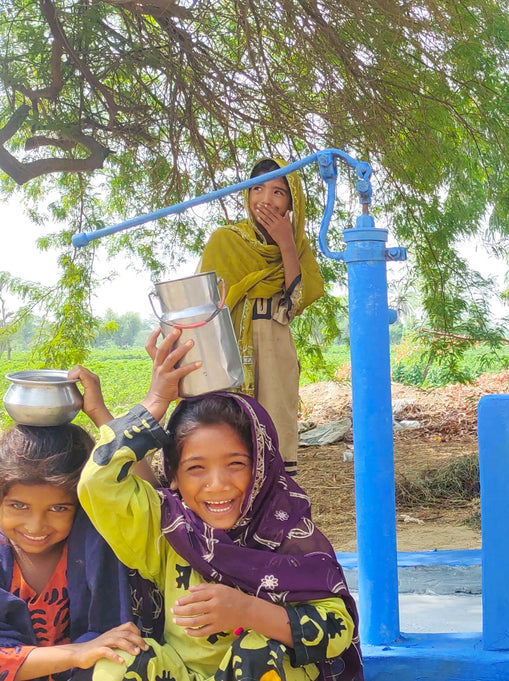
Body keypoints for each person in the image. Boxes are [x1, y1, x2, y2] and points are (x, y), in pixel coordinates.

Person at [78, 329, 362, 681]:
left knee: (261, 653)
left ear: (262, 466)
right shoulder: (165, 527)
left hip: (262, 673)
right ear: (174, 477)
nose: (217, 485)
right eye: (196, 468)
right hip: (182, 674)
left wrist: (246, 610)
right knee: (118, 664)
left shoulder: (289, 533)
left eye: (236, 464)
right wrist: (155, 402)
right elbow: (98, 482)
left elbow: (337, 628)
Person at [0, 367, 147, 681]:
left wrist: (99, 413)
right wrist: (79, 653)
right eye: (18, 506)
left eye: (58, 507)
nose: (36, 525)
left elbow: (152, 501)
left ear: (81, 506)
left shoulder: (94, 540)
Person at [199, 158, 325, 476]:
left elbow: (294, 302)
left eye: (278, 192)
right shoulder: (225, 241)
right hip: (231, 359)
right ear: (246, 194)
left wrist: (285, 242)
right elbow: (204, 311)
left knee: (275, 441)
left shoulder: (297, 247)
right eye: (257, 189)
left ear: (292, 202)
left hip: (275, 350)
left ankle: (274, 518)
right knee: (231, 442)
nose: (266, 199)